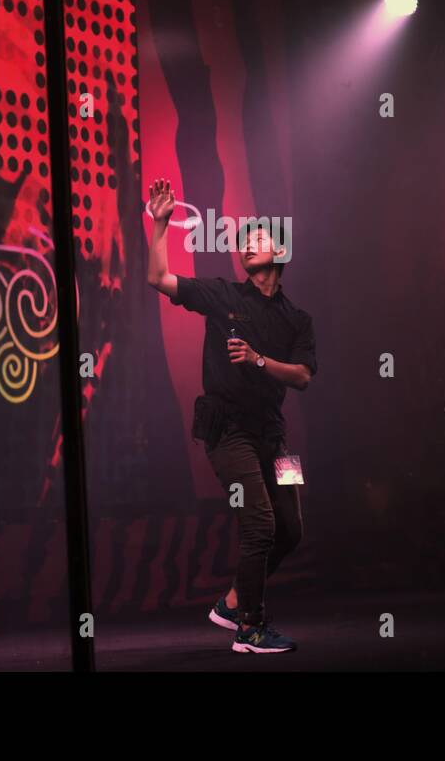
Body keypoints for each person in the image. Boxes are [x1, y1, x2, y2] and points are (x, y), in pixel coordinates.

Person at [146, 177, 316, 653]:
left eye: (258, 238)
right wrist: (160, 226)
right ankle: (249, 629)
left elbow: (302, 377)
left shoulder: (298, 320)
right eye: (243, 242)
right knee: (259, 523)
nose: (247, 246)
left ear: (280, 251)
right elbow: (159, 279)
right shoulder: (224, 296)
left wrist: (260, 361)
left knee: (292, 531)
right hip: (228, 431)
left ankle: (232, 603)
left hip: (275, 439)